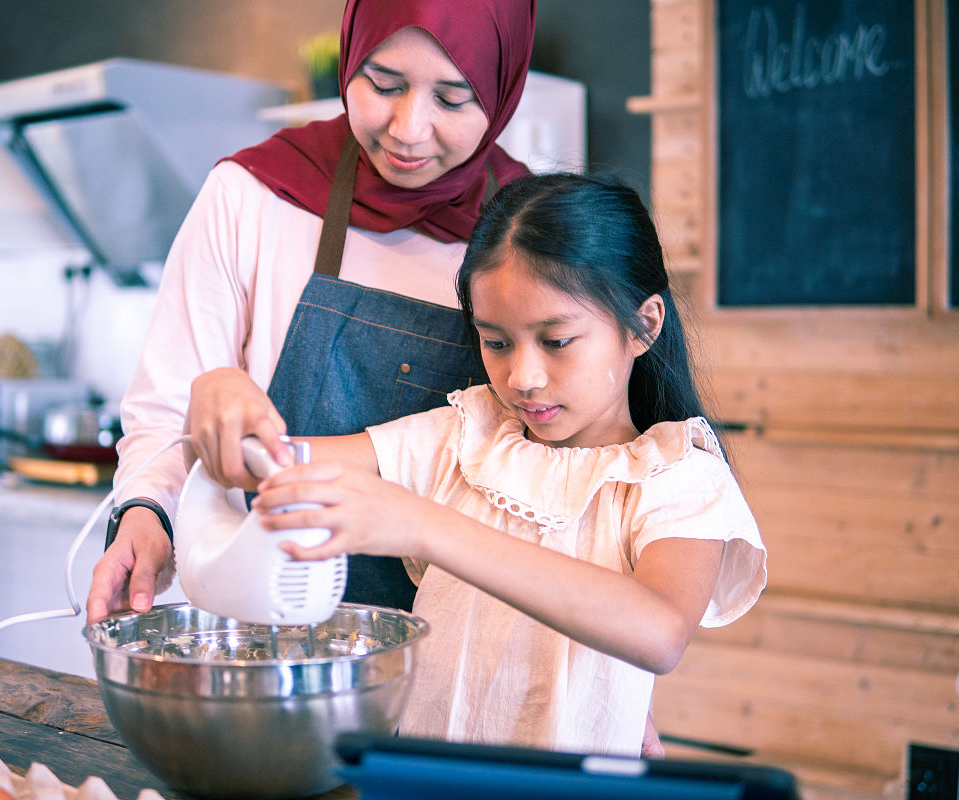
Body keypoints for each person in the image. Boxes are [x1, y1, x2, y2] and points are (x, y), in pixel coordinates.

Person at [237, 172, 768, 756]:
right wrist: (222, 397)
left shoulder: (675, 477)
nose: (523, 377)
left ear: (643, 325)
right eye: (496, 342)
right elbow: (266, 466)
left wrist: (423, 525)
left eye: (557, 341)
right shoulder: (468, 433)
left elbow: (660, 632)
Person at [88, 0, 537, 625]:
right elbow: (168, 409)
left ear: (502, 88)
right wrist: (146, 513)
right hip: (263, 629)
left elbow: (569, 456)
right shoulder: (253, 193)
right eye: (383, 85)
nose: (408, 128)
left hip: (464, 650)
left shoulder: (530, 233)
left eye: (453, 99)